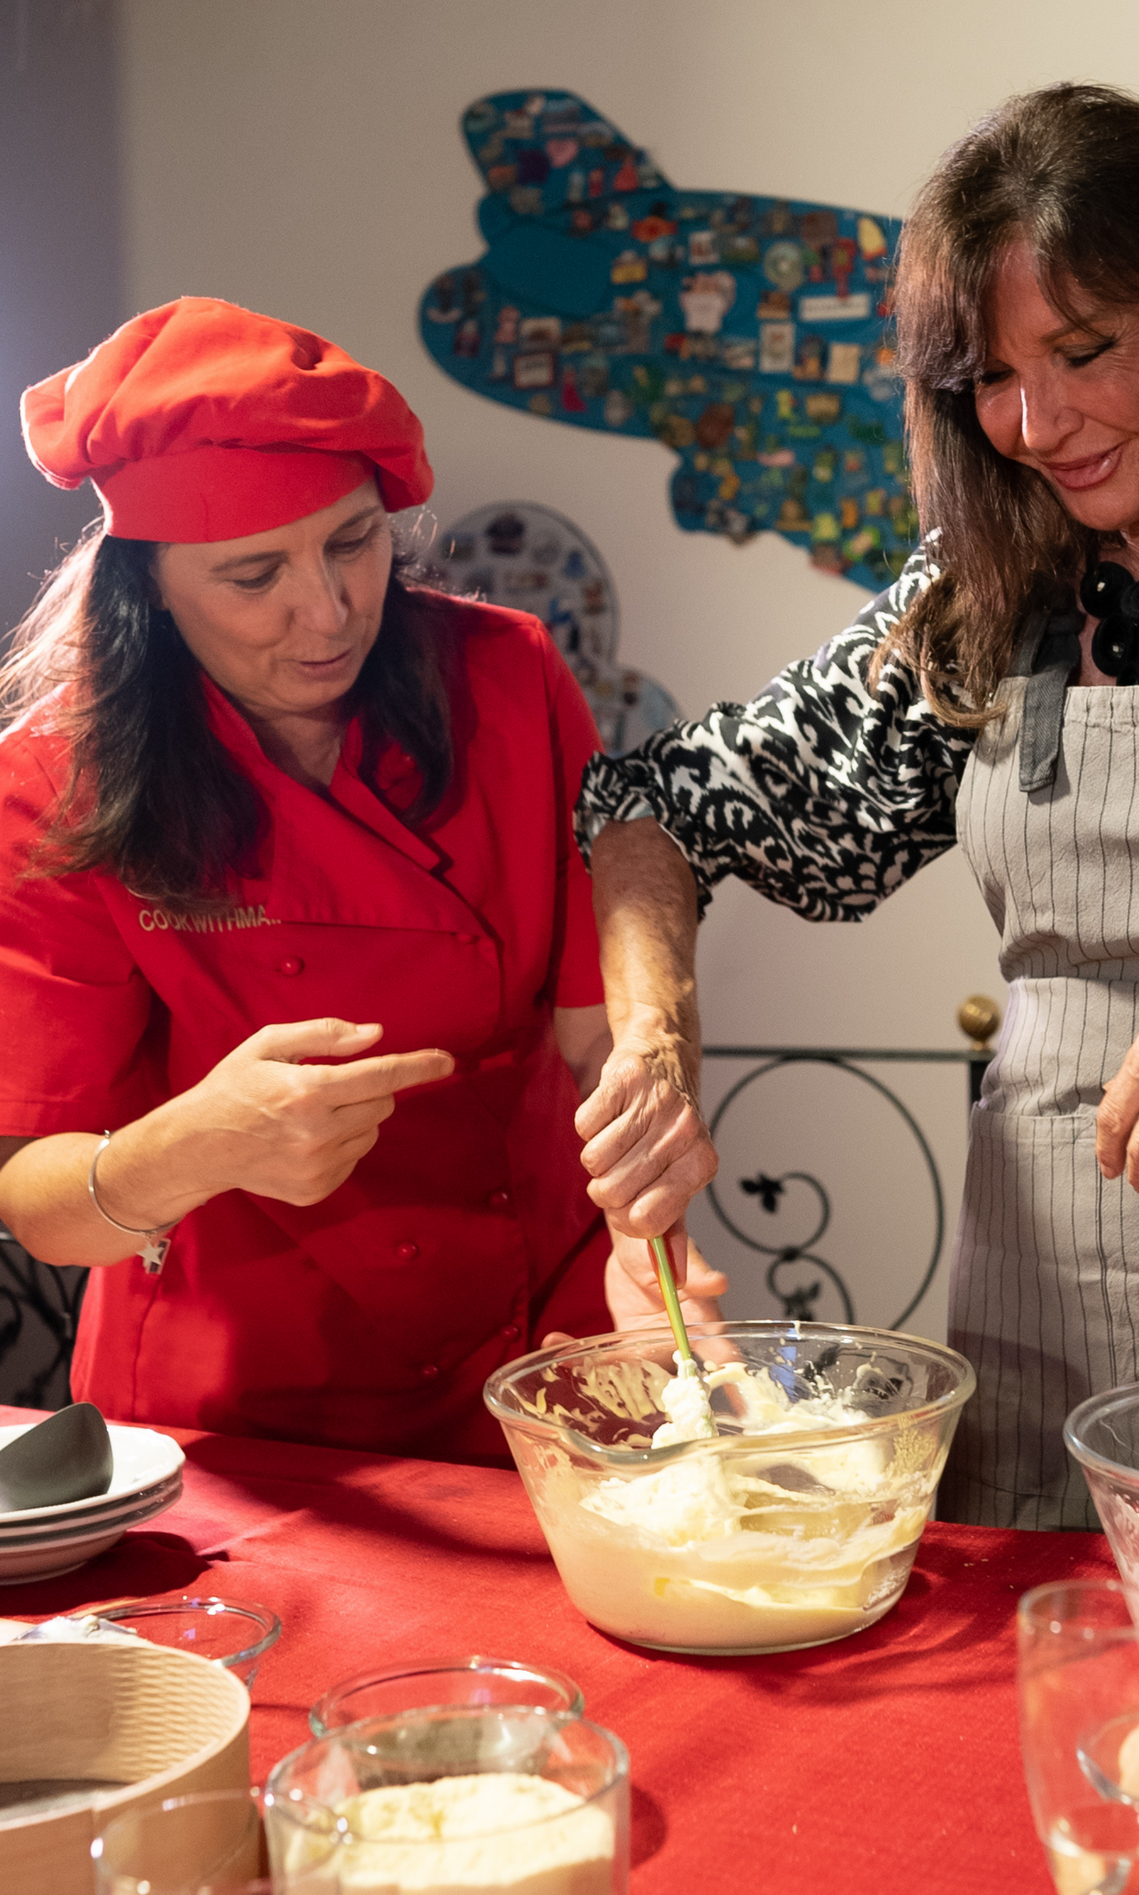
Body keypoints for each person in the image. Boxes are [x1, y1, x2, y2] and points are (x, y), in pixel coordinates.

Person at [572, 83, 1139, 1528]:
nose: (1034, 425)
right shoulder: (985, 611)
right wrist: (656, 1046)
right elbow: (658, 807)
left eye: (1082, 352)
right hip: (1043, 1335)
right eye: (988, 376)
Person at [0, 297, 723, 1461]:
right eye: (253, 575)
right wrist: (197, 1144)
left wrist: (648, 1167)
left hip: (542, 1336)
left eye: (351, 542)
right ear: (149, 584)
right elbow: (36, 1200)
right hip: (241, 1393)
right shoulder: (55, 776)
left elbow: (598, 1033)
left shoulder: (504, 676)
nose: (328, 612)